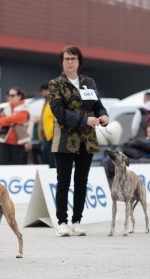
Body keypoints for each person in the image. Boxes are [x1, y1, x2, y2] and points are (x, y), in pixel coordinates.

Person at [49, 46, 109, 237]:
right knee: (63, 182)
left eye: (73, 59)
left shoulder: (89, 82)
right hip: (65, 140)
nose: (69, 62)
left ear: (79, 62)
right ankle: (62, 222)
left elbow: (98, 105)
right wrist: (84, 120)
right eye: (66, 59)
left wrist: (104, 116)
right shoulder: (55, 84)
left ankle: (77, 221)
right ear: (61, 62)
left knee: (82, 182)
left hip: (87, 140)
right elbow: (59, 112)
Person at [0, 87, 30, 165]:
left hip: (20, 143)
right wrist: (12, 120)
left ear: (19, 96)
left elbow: (21, 118)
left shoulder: (25, 107)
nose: (10, 97)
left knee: (19, 168)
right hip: (3, 141)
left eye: (12, 95)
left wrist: (4, 120)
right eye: (8, 95)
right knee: (3, 167)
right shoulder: (2, 106)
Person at [38, 82, 56, 168]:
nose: (42, 93)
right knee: (47, 159)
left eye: (43, 91)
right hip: (46, 135)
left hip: (53, 135)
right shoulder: (46, 102)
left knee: (52, 160)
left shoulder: (54, 101)